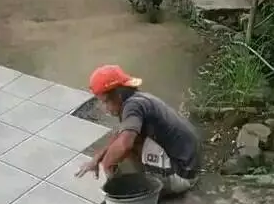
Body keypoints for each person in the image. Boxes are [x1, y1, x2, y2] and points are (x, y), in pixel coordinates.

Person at [76, 65, 200, 195]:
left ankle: (143, 192)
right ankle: (144, 179)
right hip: (188, 166)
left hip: (183, 177)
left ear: (118, 94)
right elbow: (119, 134)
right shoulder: (137, 100)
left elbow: (124, 144)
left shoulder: (133, 107)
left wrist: (107, 163)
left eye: (106, 102)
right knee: (122, 143)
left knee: (124, 151)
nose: (105, 108)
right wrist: (98, 158)